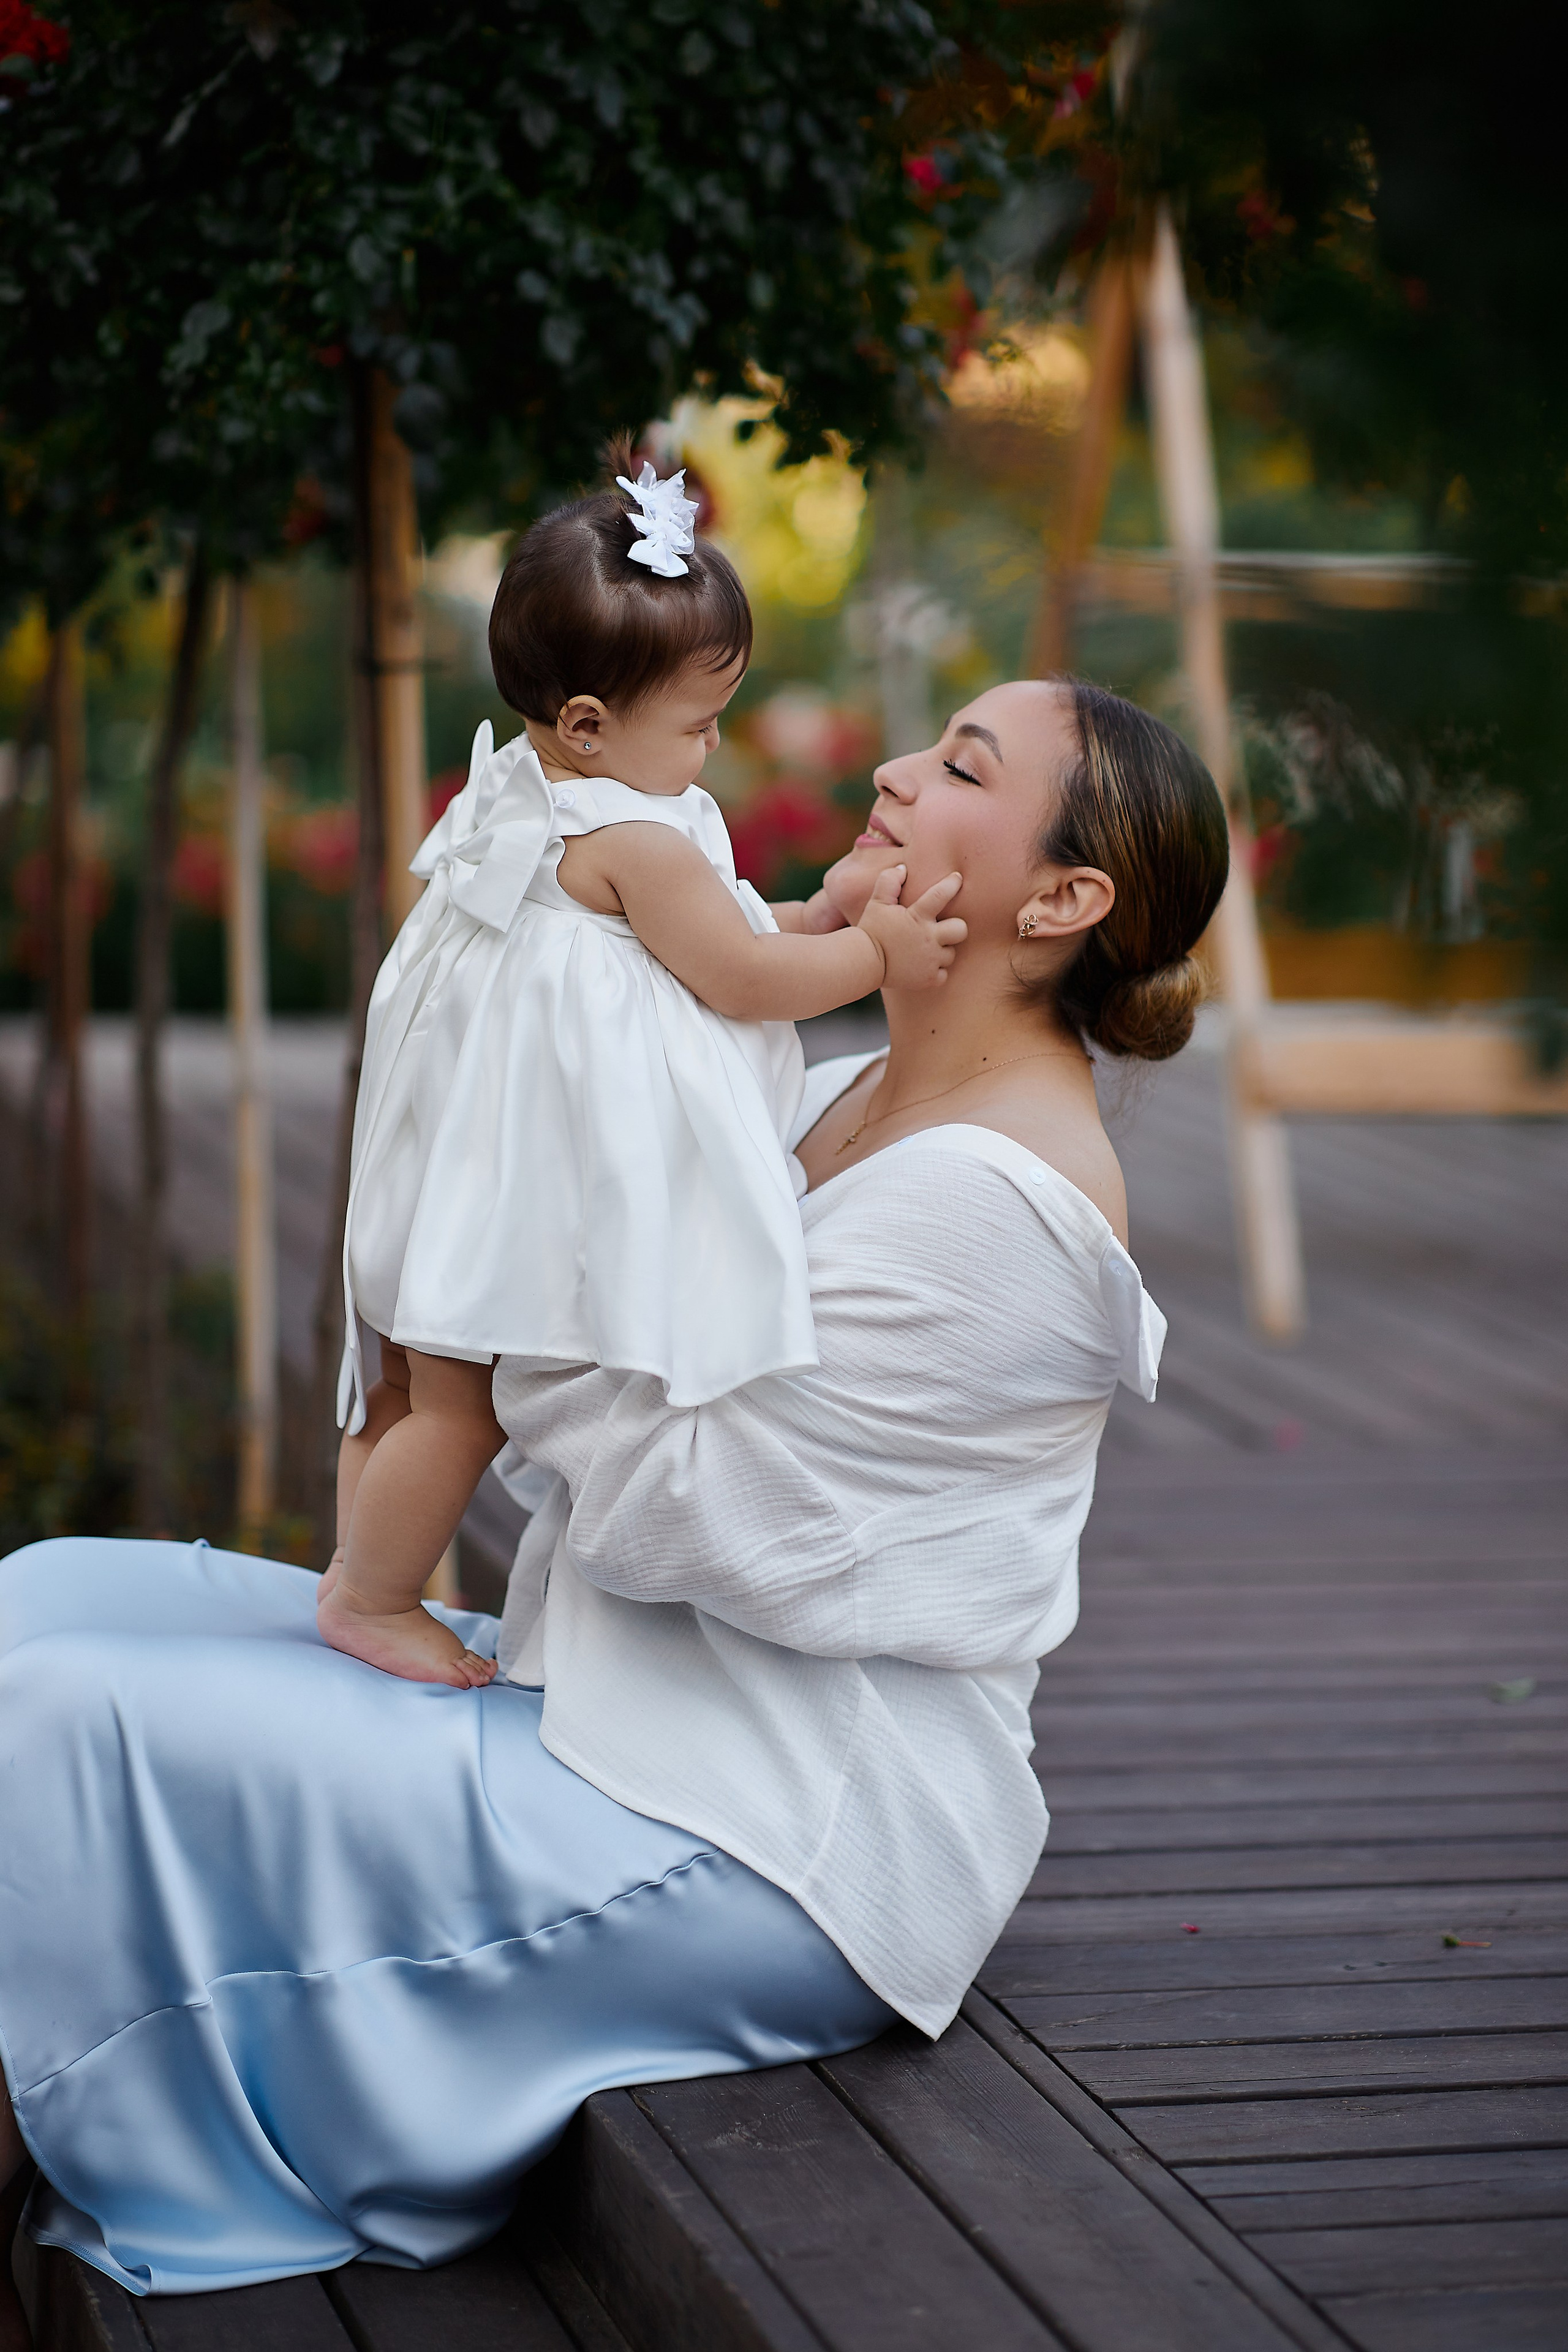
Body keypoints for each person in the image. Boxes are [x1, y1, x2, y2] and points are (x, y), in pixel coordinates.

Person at [0, 674, 1227, 2298]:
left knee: (54, 1723)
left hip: (766, 1833)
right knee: (46, 1593)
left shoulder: (1000, 1209)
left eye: (960, 768)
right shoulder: (832, 1093)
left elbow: (675, 1500)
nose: (891, 768)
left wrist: (495, 1264)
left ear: (1067, 898)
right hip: (608, 1704)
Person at [323, 453, 963, 1688]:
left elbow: (703, 940)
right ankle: (370, 1594)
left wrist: (813, 911)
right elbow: (732, 977)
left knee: (405, 1388)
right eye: (699, 721)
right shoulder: (630, 832)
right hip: (502, 1173)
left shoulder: (525, 790)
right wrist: (874, 952)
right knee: (461, 1411)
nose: (715, 742)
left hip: (441, 1146)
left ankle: (360, 1570)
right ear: (589, 724)